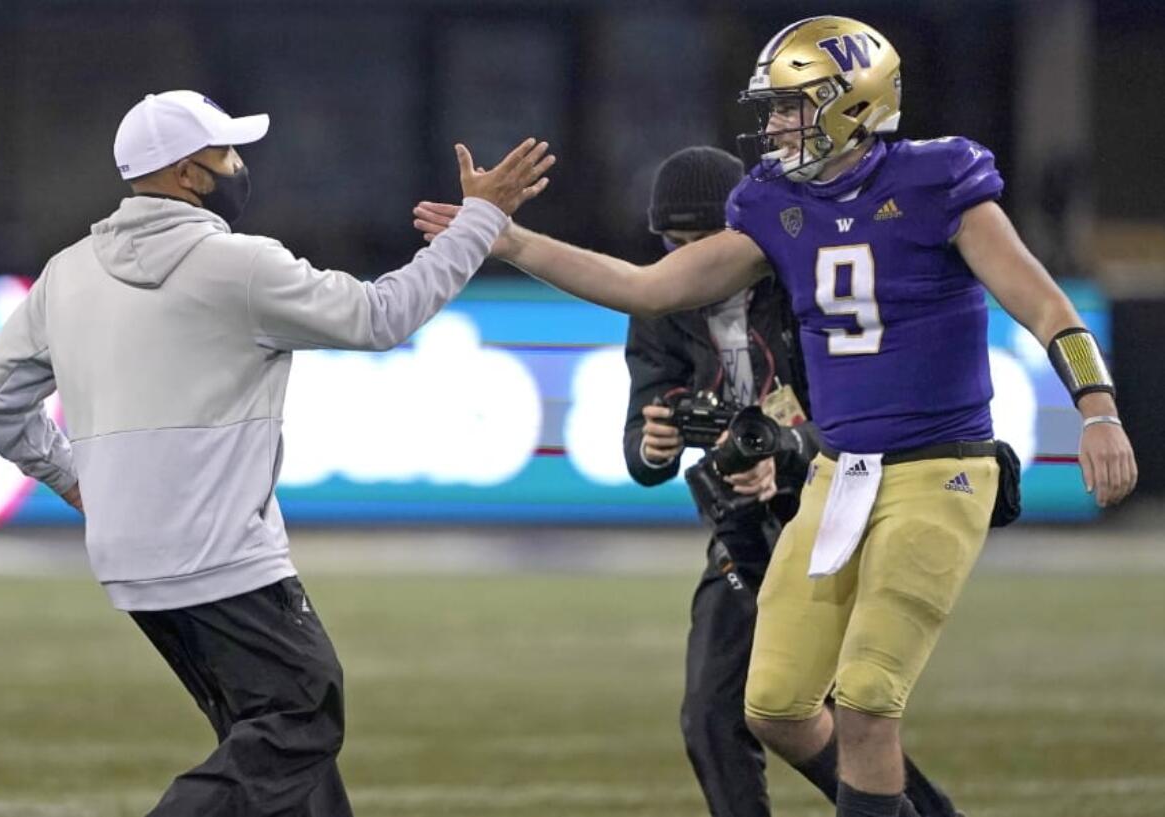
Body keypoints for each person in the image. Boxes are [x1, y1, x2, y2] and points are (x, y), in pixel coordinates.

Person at [414, 16, 1137, 817]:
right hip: (840, 475)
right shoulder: (775, 204)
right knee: (777, 705)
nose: (776, 125)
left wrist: (1097, 408)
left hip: (940, 465)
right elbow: (645, 288)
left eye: (794, 106)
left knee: (864, 699)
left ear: (851, 102)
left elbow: (1044, 304)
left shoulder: (942, 181)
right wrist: (508, 240)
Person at [0, 89, 553, 817]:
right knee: (304, 713)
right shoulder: (237, 265)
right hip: (221, 552)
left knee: (276, 752)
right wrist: (482, 219)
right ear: (186, 173)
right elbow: (381, 316)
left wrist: (72, 478)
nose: (239, 165)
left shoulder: (68, 273)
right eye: (226, 152)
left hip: (128, 560)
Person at [628, 146, 960, 817]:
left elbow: (860, 407)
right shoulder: (659, 303)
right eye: (674, 243)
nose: (689, 258)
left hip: (834, 504)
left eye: (706, 241)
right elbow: (643, 443)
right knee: (714, 716)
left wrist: (786, 447)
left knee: (831, 707)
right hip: (741, 526)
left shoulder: (808, 279)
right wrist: (652, 442)